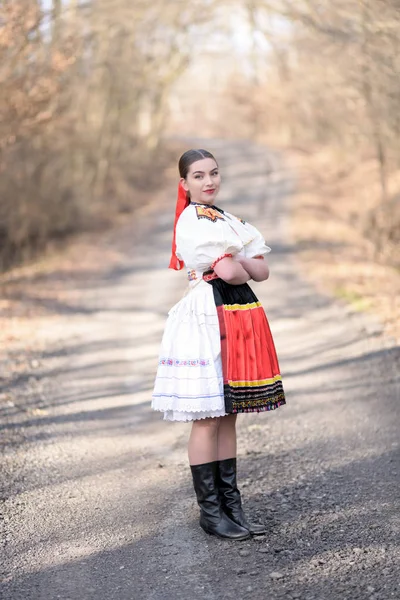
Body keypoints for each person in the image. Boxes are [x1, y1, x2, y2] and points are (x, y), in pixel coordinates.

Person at [152, 148, 286, 541]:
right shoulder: (191, 221)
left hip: (237, 312)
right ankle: (211, 513)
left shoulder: (226, 219)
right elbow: (231, 269)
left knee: (230, 413)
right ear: (185, 183)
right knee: (209, 415)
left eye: (213, 173)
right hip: (209, 317)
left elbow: (260, 270)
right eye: (198, 175)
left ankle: (232, 507)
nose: (208, 181)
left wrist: (237, 263)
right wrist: (237, 262)